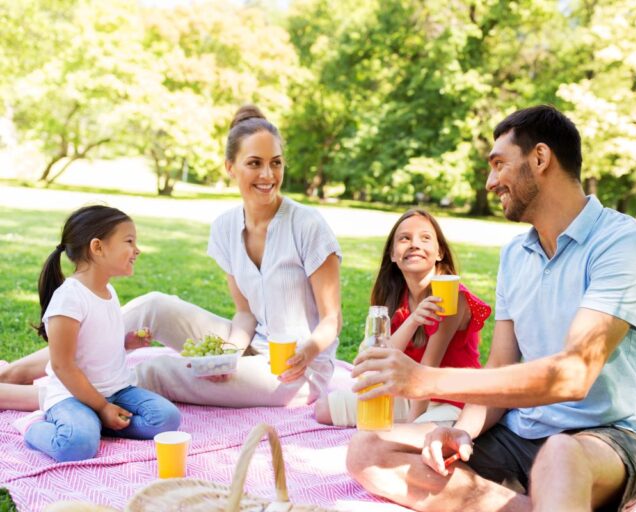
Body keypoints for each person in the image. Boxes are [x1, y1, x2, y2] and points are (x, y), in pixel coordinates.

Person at [346, 105, 636, 511]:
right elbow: (499, 365)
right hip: (521, 431)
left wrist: (426, 380)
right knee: (369, 449)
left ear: (540, 158)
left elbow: (573, 374)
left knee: (559, 456)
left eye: (499, 165)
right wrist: (463, 430)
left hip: (608, 439)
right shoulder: (516, 254)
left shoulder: (624, 245)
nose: (490, 182)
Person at [0, 105, 342, 410]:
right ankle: (15, 373)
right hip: (254, 346)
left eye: (276, 163)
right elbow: (245, 313)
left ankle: (18, 397)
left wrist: (307, 352)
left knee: (154, 371)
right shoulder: (225, 228)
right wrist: (228, 354)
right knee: (152, 306)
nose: (268, 175)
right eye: (255, 163)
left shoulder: (307, 225)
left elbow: (332, 319)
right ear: (230, 167)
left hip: (295, 372)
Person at [21, 205, 180, 462]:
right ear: (97, 247)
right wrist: (102, 406)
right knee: (77, 446)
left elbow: (97, 344)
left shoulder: (108, 291)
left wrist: (127, 342)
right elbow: (63, 366)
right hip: (72, 396)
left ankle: (95, 423)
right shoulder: (69, 299)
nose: (137, 250)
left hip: (117, 390)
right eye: (129, 241)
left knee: (166, 419)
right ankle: (34, 429)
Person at [314, 209, 491, 427]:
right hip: (410, 393)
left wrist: (408, 426)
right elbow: (380, 358)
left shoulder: (451, 296)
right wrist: (413, 320)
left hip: (452, 400)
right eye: (405, 238)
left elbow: (427, 370)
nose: (414, 244)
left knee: (400, 439)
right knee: (324, 409)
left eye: (425, 238)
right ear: (392, 254)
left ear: (440, 253)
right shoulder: (398, 297)